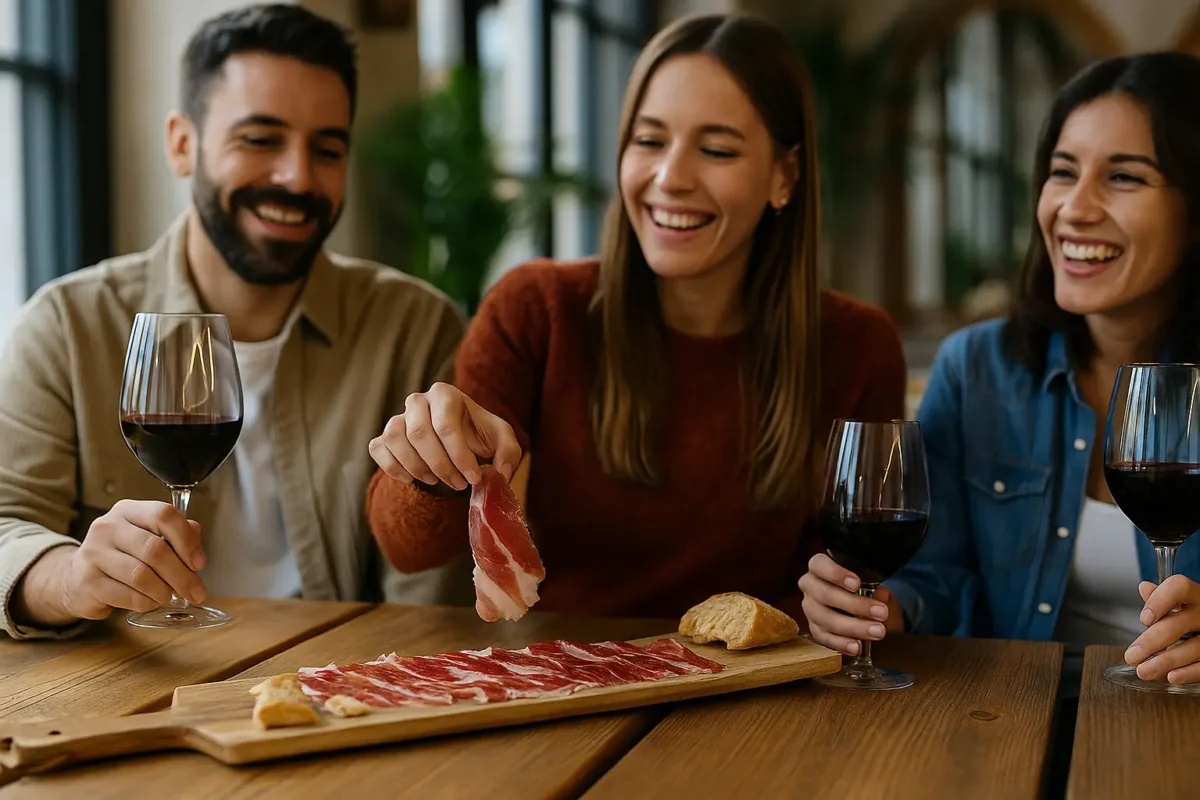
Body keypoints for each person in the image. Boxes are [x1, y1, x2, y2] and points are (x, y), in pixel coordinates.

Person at [365, 13, 907, 621]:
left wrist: (853, 605)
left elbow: (854, 573)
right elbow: (409, 550)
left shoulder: (859, 344)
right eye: (648, 141)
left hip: (765, 685)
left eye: (717, 149)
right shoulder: (538, 309)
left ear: (785, 176)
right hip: (571, 675)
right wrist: (433, 467)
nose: (669, 178)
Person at [0, 4, 472, 640]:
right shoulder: (68, 326)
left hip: (337, 695)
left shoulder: (415, 330)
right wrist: (71, 575)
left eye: (327, 149)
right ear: (182, 144)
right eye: (260, 139)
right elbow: (5, 526)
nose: (297, 176)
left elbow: (431, 607)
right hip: (131, 688)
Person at [799, 52, 1200, 686]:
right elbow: (934, 578)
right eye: (1062, 172)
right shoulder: (976, 369)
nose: (1075, 207)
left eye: (1124, 177)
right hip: (1009, 720)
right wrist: (874, 608)